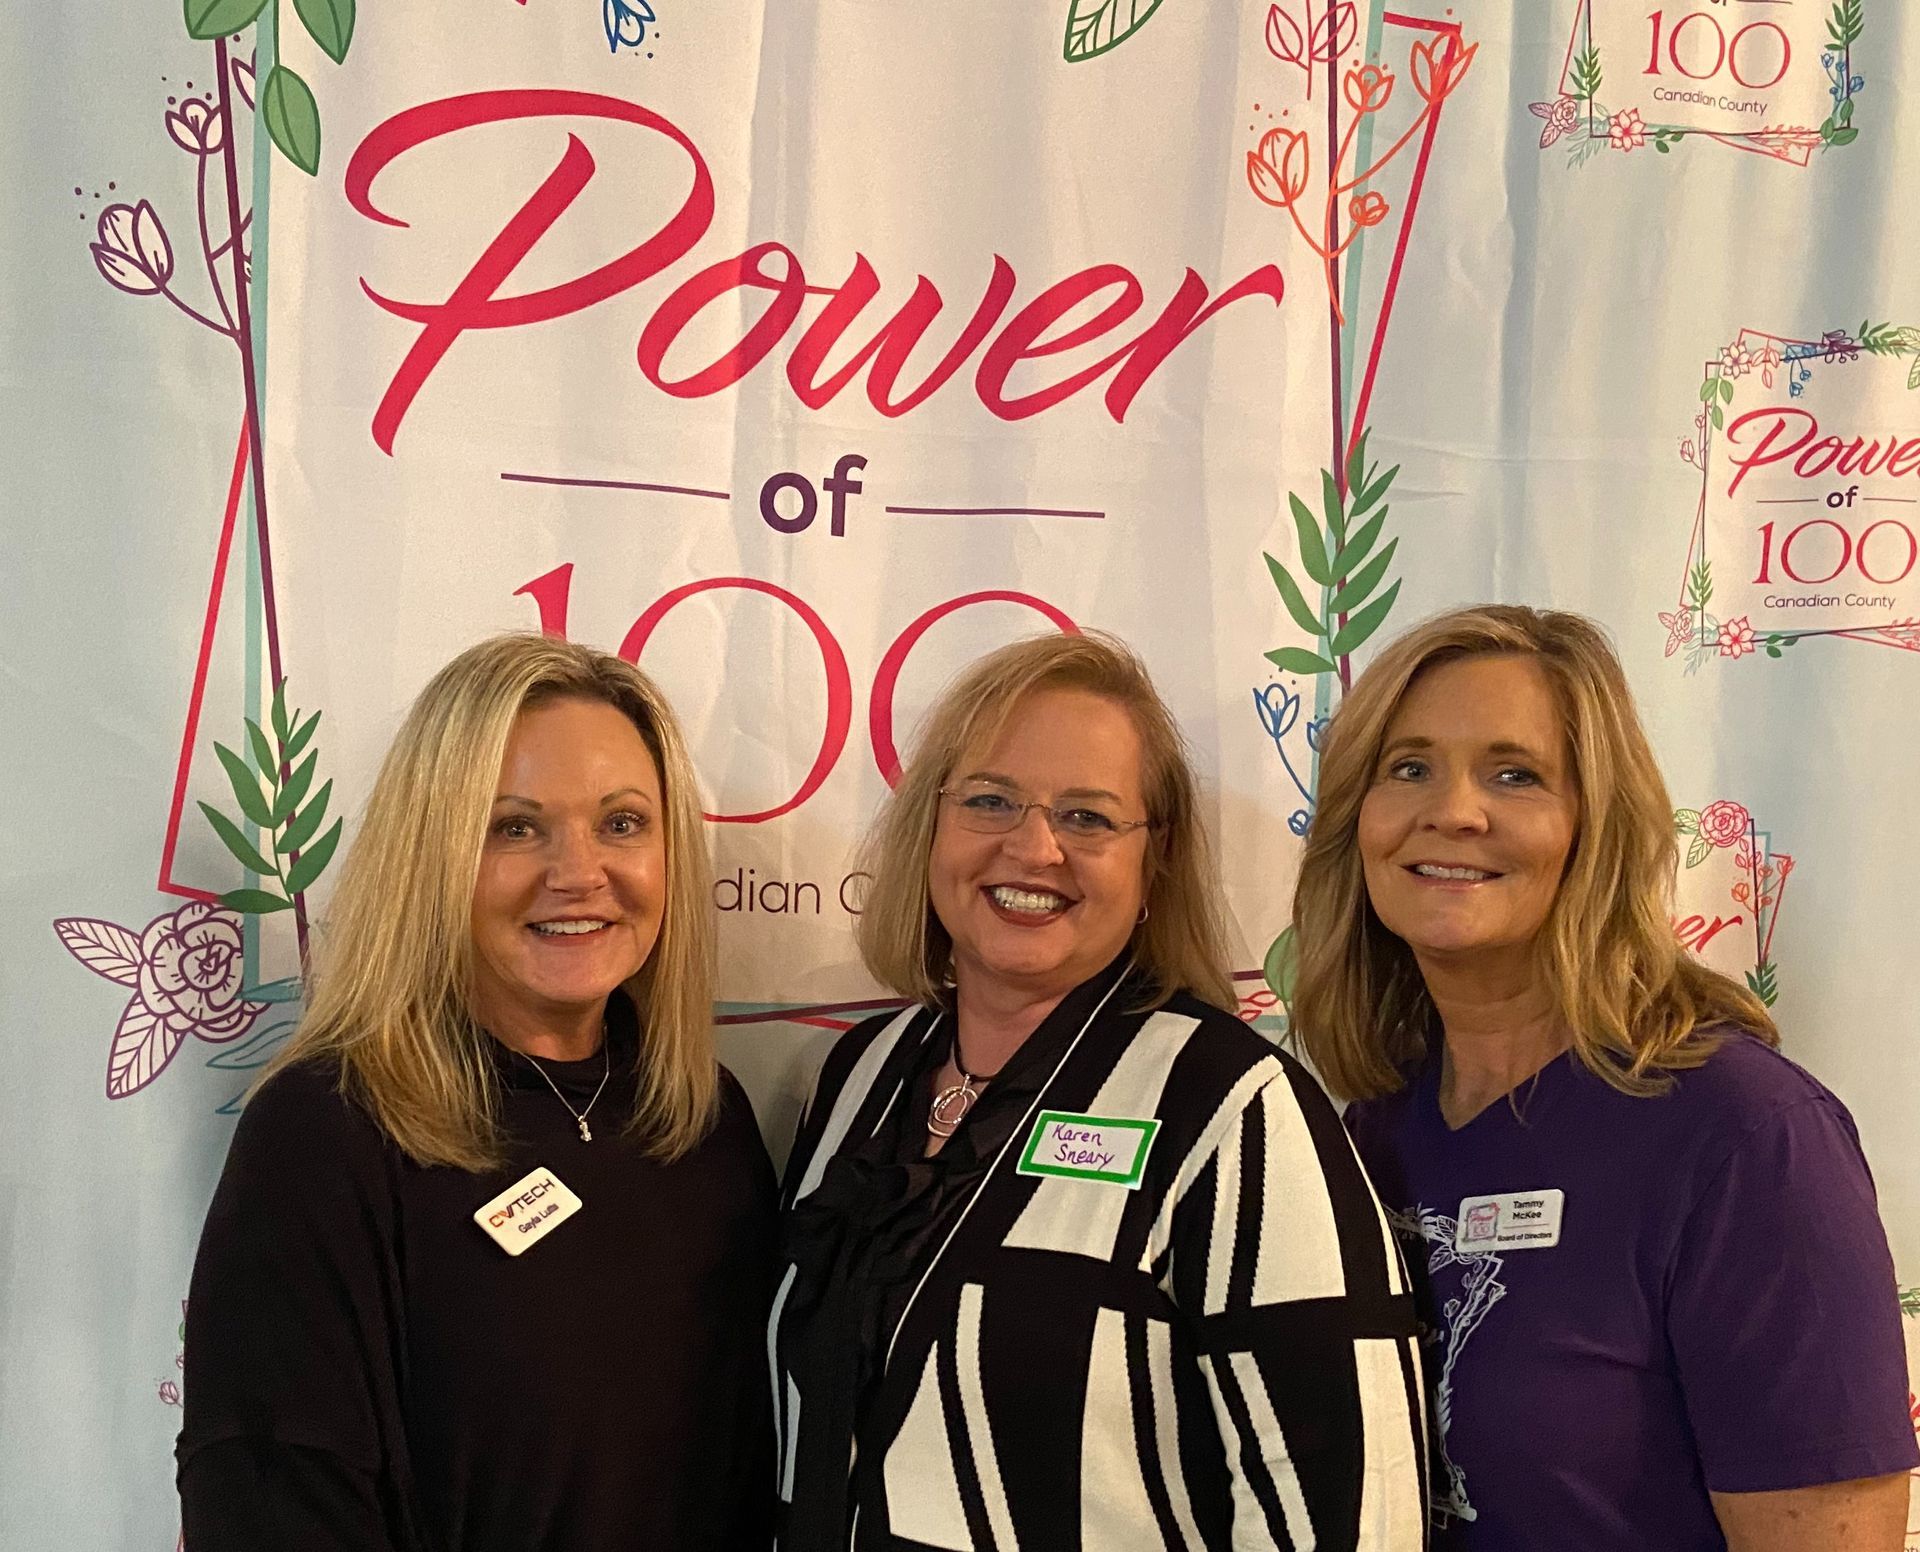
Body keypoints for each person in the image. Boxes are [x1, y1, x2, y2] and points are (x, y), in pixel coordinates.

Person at [773, 630, 1428, 1550]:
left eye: (1087, 818)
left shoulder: (1232, 1106)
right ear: (931, 828)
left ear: (1154, 861)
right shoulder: (859, 1076)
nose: (1033, 846)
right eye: (990, 800)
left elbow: (1351, 1508)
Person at [1291, 604, 1917, 1552]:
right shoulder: (1374, 1128)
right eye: (1408, 767)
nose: (1453, 810)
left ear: (1597, 829)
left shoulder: (1747, 1141)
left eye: (1515, 774)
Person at [177, 633, 777, 1552]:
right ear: (433, 853)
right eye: (515, 828)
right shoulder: (329, 1130)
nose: (579, 873)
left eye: (622, 823)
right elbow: (268, 1497)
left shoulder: (704, 1121)